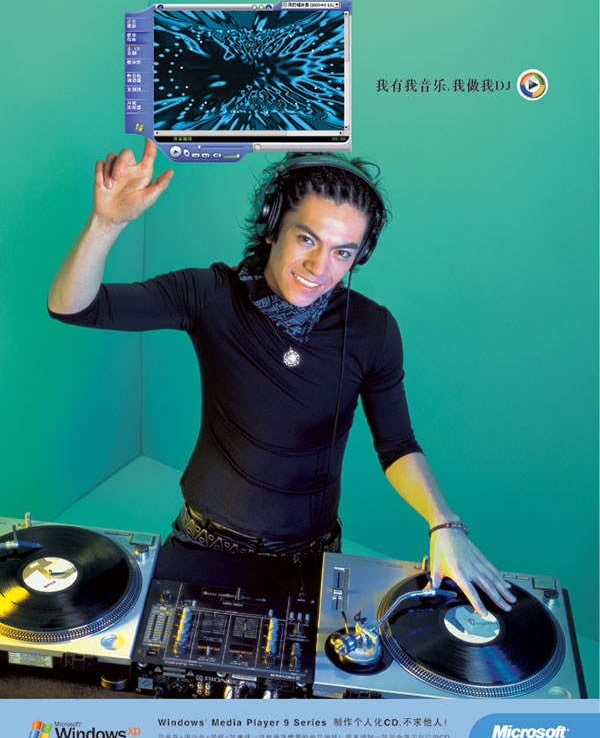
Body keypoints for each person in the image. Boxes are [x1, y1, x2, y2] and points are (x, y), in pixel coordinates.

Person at [48, 139, 516, 618]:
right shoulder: (208, 293)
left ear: (360, 256)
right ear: (272, 226)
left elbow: (397, 445)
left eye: (342, 252)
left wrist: (445, 524)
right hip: (203, 542)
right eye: (307, 239)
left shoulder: (372, 328)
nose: (319, 268)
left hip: (310, 557)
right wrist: (106, 223)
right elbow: (75, 307)